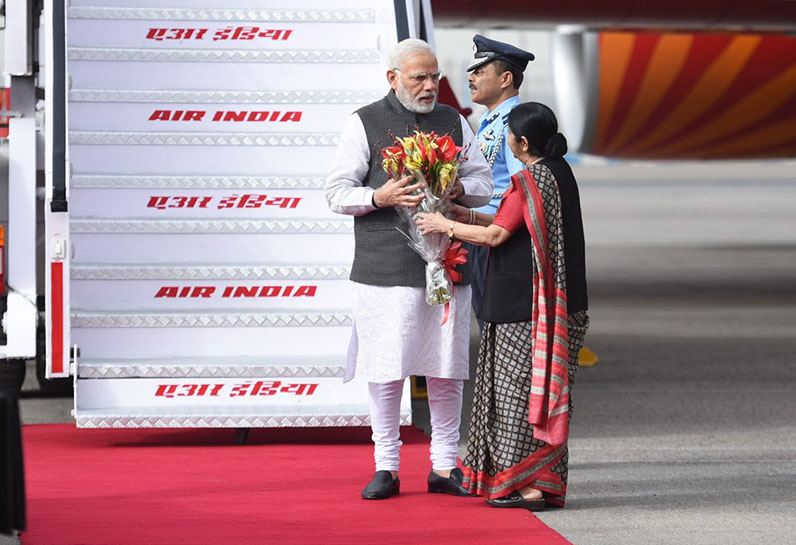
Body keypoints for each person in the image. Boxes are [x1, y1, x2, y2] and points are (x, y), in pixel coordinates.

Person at [325, 38, 493, 500]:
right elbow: (335, 193)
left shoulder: (454, 121)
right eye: (418, 76)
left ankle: (443, 466)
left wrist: (460, 187)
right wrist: (379, 197)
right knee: (385, 369)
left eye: (434, 76)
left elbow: (484, 183)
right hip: (383, 269)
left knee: (448, 368)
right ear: (392, 78)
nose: (428, 85)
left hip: (447, 264)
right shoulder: (365, 122)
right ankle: (387, 465)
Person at [415, 102, 589, 510]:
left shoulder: (531, 178)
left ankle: (525, 486)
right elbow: (508, 223)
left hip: (524, 309)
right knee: (537, 392)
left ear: (522, 142)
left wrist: (443, 226)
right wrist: (461, 214)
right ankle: (538, 483)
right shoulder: (559, 174)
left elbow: (496, 236)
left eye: (509, 135)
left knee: (516, 396)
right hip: (554, 303)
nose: (506, 141)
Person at [466, 35, 535, 328]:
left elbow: (524, 186)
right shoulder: (491, 121)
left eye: (480, 71)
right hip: (484, 233)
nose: (471, 78)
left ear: (506, 78)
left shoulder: (512, 124)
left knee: (501, 329)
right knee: (489, 325)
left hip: (501, 240)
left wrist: (497, 232)